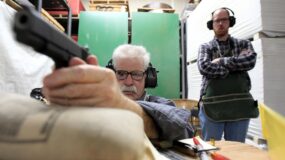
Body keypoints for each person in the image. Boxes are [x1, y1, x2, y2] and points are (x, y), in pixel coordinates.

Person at [42, 44, 194, 142]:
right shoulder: (96, 104)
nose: (128, 82)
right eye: (121, 73)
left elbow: (185, 130)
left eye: (136, 74)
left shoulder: (162, 105)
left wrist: (118, 104)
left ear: (147, 77)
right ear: (112, 73)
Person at [197, 7, 257, 142]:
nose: (220, 23)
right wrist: (233, 68)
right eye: (216, 21)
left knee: (236, 150)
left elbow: (250, 61)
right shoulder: (205, 47)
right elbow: (204, 67)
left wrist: (221, 61)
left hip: (239, 107)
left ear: (230, 22)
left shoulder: (243, 44)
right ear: (211, 24)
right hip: (212, 107)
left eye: (224, 20)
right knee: (210, 150)